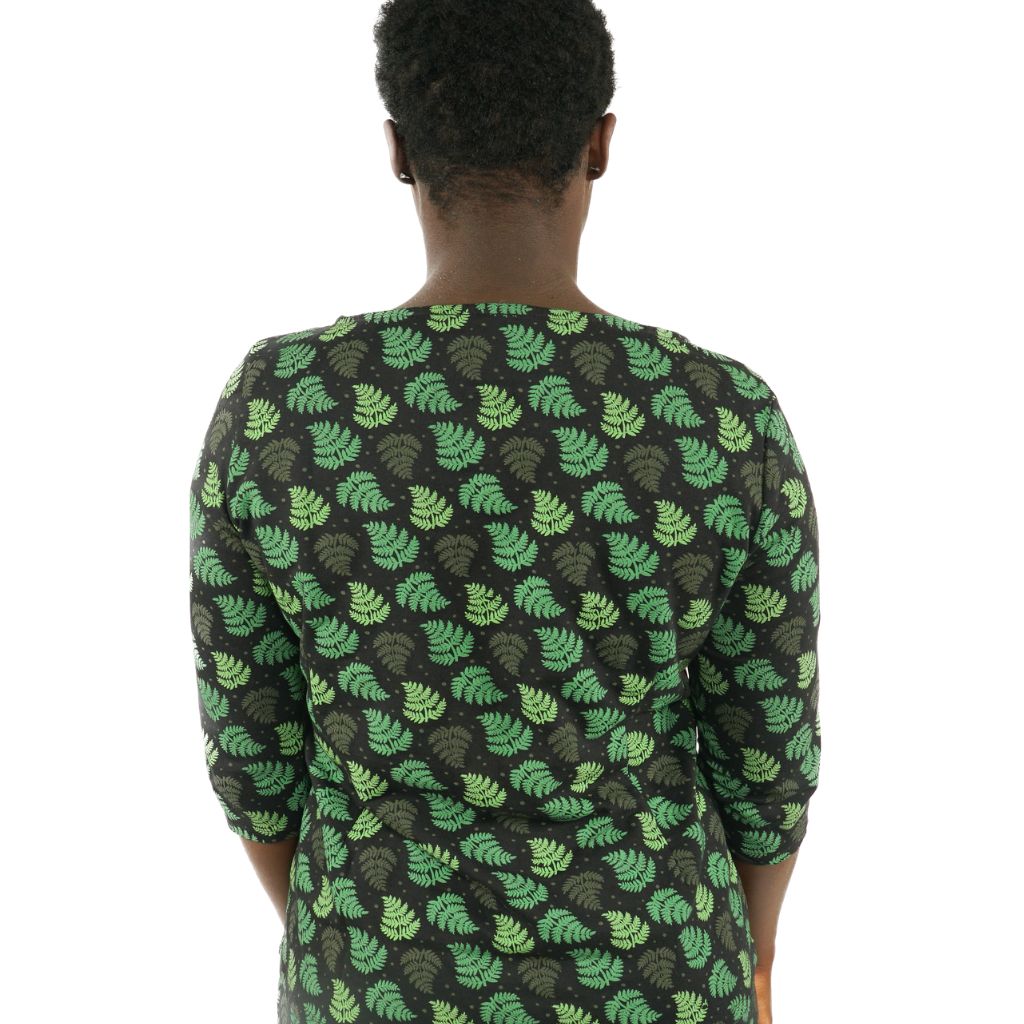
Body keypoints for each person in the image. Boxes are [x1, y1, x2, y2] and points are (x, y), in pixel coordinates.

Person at [186, 2, 822, 1022]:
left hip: (373, 977)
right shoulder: (719, 416)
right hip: (657, 974)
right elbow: (767, 758)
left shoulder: (282, 406)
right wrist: (755, 958)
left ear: (399, 150)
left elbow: (252, 759)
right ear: (599, 143)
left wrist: (350, 937)